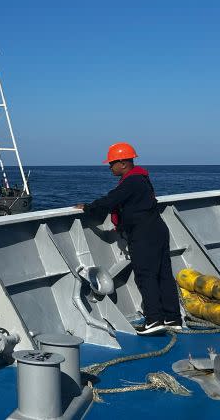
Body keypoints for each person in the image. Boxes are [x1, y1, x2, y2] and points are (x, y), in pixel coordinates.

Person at [74, 142, 181, 335]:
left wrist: (88, 208)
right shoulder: (141, 178)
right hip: (156, 230)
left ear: (123, 163)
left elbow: (111, 200)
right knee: (163, 274)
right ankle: (172, 318)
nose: (110, 167)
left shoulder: (131, 182)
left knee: (145, 275)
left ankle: (154, 320)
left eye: (112, 163)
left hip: (144, 234)